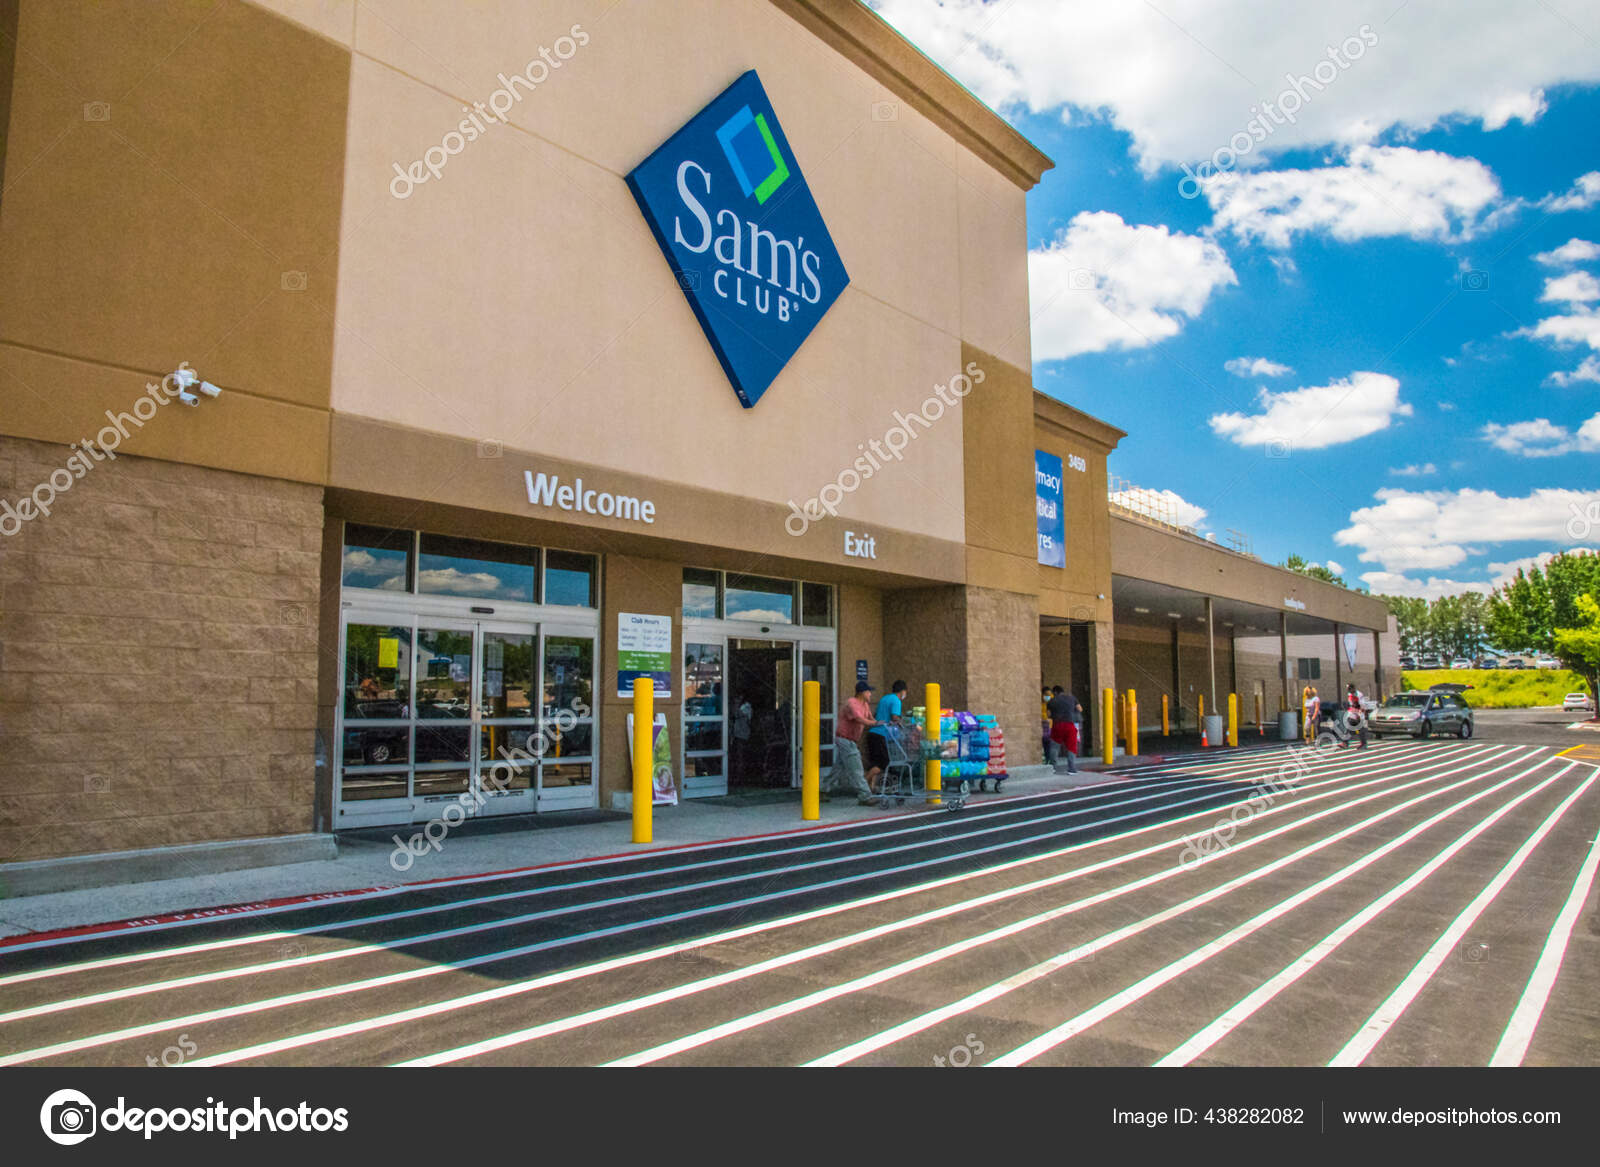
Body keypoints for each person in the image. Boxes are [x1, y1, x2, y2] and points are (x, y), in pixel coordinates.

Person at [825, 681, 883, 805]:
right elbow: (859, 719)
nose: (870, 695)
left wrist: (880, 723)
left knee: (838, 768)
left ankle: (822, 790)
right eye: (868, 692)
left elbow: (870, 718)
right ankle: (865, 796)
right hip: (845, 740)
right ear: (862, 693)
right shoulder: (851, 703)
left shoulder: (865, 704)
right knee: (857, 768)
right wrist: (875, 724)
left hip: (851, 740)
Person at [867, 680, 908, 793]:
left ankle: (871, 788)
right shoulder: (896, 700)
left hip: (873, 732)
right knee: (884, 763)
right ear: (903, 691)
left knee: (875, 762)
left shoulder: (884, 698)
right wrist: (902, 723)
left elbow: (877, 714)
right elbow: (895, 717)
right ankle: (864, 782)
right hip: (882, 734)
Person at [1046, 685, 1080, 773]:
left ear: (1055, 692)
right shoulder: (1072, 698)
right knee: (1071, 747)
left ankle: (1053, 767)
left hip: (1057, 725)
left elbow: (1048, 715)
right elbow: (1079, 709)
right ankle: (1071, 768)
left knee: (1055, 747)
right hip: (1070, 725)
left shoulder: (1051, 701)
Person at [1343, 683, 1369, 750]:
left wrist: (1360, 715)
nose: (1348, 690)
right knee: (1348, 727)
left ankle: (1364, 744)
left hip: (1358, 714)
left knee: (1361, 730)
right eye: (1348, 689)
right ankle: (1345, 743)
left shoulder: (1359, 695)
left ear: (1353, 688)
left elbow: (1362, 706)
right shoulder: (1349, 694)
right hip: (1352, 713)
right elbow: (1351, 704)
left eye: (1349, 689)